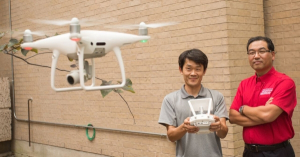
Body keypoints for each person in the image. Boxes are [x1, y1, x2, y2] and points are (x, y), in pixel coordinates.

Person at [229, 36, 296, 157]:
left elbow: (267, 115)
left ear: (273, 55)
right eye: (251, 52)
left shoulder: (284, 82)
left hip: (277, 152)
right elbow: (233, 117)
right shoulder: (244, 84)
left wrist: (243, 109)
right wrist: (264, 115)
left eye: (261, 51)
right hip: (249, 152)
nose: (256, 56)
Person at [158, 49, 228, 157]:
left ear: (204, 71)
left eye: (198, 69)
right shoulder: (170, 99)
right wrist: (184, 127)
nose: (193, 73)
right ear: (181, 70)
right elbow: (171, 136)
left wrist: (219, 127)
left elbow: (223, 134)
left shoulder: (217, 97)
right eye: (189, 69)